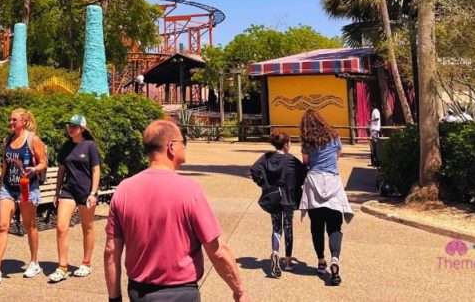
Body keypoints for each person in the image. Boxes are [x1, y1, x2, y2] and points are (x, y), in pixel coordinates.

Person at [104, 120, 249, 302]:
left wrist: (114, 298)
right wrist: (239, 291)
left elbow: (111, 251)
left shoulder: (124, 190)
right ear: (171, 147)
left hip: (138, 292)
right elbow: (217, 251)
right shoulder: (190, 191)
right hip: (181, 294)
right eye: (183, 142)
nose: (185, 147)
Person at [0, 107, 48, 284]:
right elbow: (4, 163)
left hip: (27, 187)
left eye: (14, 120)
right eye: (10, 120)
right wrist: (1, 184)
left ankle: (34, 262)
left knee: (29, 225)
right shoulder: (8, 139)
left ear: (23, 121)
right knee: (2, 226)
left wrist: (35, 169)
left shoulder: (33, 139)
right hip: (8, 188)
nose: (11, 123)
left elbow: (43, 163)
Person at [299, 109, 353, 287]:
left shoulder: (308, 141)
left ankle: (321, 261)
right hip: (332, 182)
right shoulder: (334, 137)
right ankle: (335, 259)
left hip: (314, 182)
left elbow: (306, 161)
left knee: (317, 225)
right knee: (334, 226)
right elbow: (337, 156)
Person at [48, 114, 103, 282]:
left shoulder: (90, 146)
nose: (71, 128)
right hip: (68, 191)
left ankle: (86, 263)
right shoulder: (66, 146)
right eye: (69, 125)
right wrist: (57, 191)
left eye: (74, 126)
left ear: (82, 129)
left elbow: (96, 170)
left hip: (86, 193)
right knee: (61, 226)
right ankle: (62, 267)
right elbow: (61, 171)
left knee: (87, 227)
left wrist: (93, 193)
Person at [249, 130, 305, 277]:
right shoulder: (291, 160)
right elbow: (304, 173)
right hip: (288, 199)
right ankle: (287, 262)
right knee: (288, 227)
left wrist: (263, 184)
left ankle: (275, 251)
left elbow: (254, 169)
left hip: (273, 198)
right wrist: (293, 185)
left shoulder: (267, 157)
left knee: (276, 228)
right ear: (286, 144)